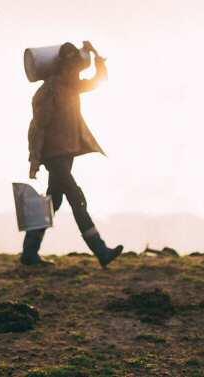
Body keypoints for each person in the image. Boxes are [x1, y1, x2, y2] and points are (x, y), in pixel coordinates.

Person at [22, 41, 123, 268]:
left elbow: (100, 80)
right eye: (73, 67)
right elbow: (38, 126)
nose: (77, 71)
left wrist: (96, 56)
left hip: (65, 154)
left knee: (53, 202)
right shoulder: (50, 90)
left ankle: (29, 252)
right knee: (76, 198)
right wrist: (35, 159)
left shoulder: (72, 86)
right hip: (53, 156)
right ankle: (100, 250)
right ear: (64, 67)